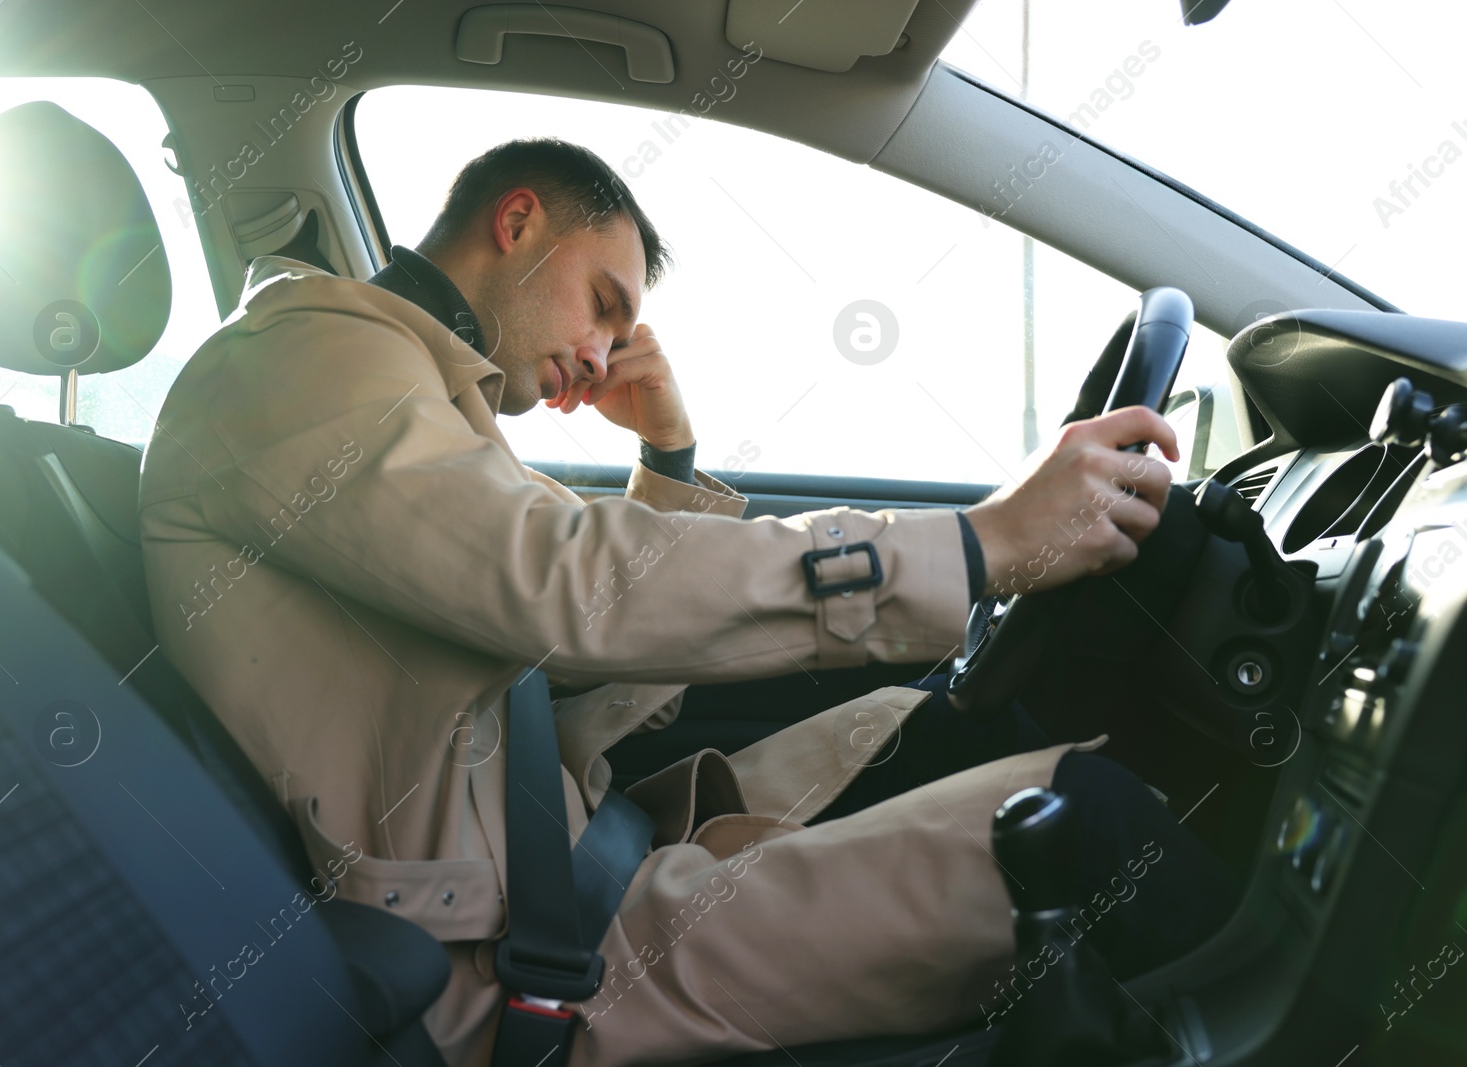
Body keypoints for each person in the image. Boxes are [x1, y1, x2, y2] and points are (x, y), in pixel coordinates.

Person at [139, 137, 1237, 1067]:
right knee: (1093, 827)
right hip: (517, 965)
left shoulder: (422, 404)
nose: (604, 350)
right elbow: (564, 583)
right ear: (516, 223)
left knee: (958, 726)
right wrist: (976, 542)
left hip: (583, 863)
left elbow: (584, 644)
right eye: (602, 302)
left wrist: (668, 449)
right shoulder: (302, 353)